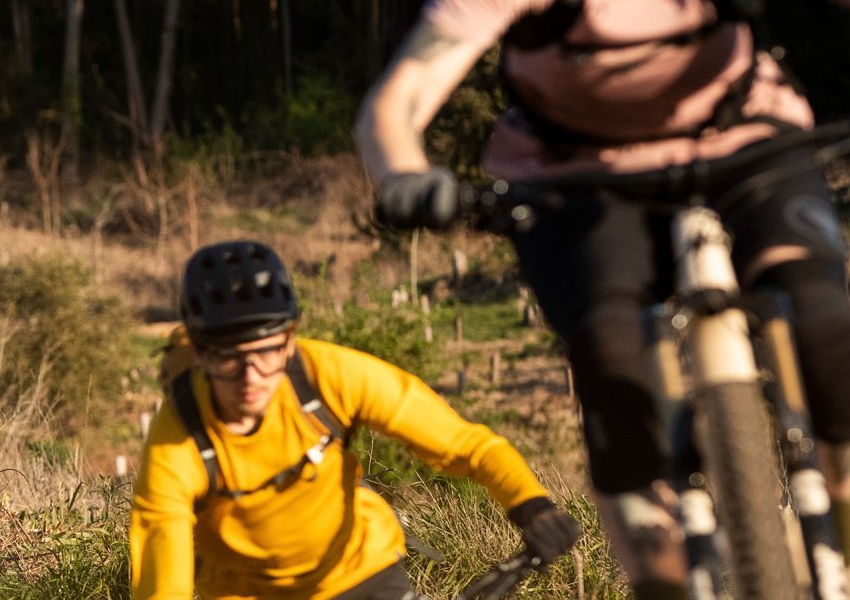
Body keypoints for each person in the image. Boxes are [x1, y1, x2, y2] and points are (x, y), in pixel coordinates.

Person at [354, 0, 850, 597]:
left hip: (744, 148)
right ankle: (657, 582)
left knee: (821, 322)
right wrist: (402, 174)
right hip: (576, 179)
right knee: (609, 359)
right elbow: (395, 103)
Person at [130, 240, 580, 599]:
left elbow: (465, 445)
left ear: (289, 342)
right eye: (229, 359)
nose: (251, 377)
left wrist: (531, 506)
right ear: (202, 354)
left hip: (361, 571)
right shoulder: (178, 438)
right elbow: (161, 569)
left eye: (267, 353)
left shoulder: (328, 376)